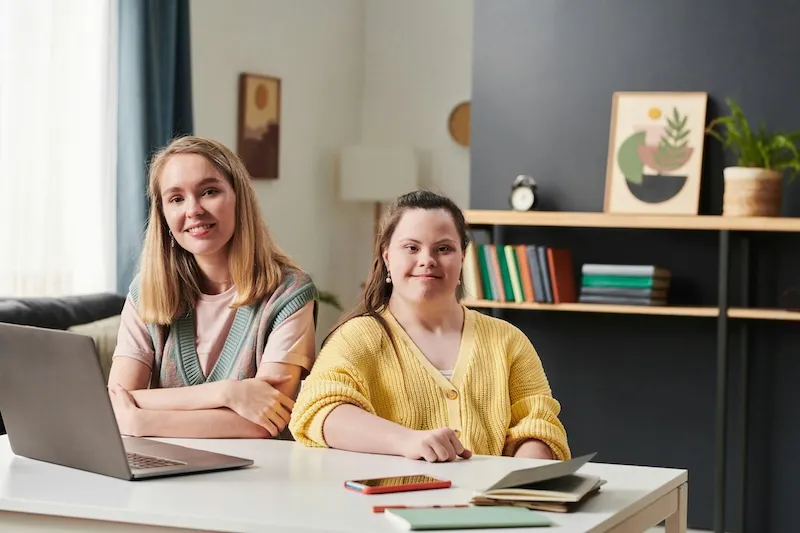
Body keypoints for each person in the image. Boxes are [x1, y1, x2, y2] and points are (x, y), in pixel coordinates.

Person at [289, 189, 570, 462]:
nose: (427, 260)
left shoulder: (508, 340)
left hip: (489, 505)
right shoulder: (356, 337)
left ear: (462, 258)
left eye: (444, 248)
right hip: (389, 504)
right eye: (411, 247)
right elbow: (317, 409)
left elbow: (538, 426)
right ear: (387, 257)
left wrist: (523, 482)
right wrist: (406, 440)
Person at [107, 135, 318, 439]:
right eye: (176, 198)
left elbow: (267, 420)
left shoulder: (289, 293)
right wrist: (226, 393)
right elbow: (118, 398)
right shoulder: (146, 291)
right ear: (163, 214)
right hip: (166, 470)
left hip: (257, 475)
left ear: (238, 198)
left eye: (209, 192)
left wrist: (143, 422)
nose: (193, 210)